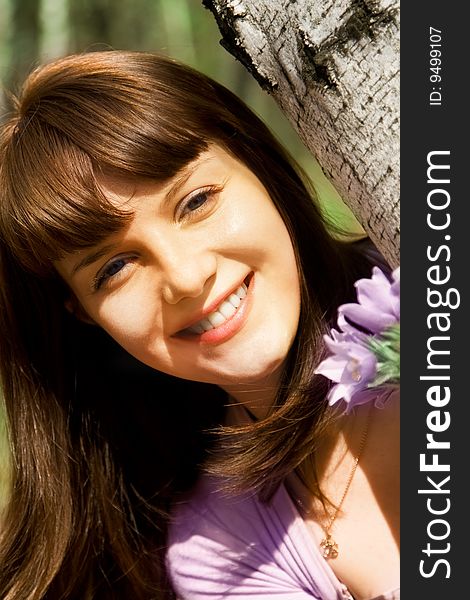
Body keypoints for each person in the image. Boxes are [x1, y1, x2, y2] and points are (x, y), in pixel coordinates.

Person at [0, 51, 399, 600]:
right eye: (114, 268)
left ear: (257, 164)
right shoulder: (222, 550)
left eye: (195, 202)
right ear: (84, 314)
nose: (186, 278)